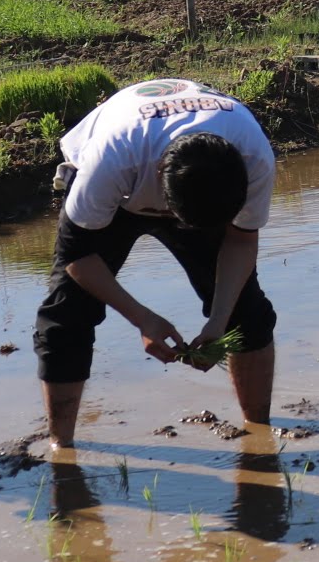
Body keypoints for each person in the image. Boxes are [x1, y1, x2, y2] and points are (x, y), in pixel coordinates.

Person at [31, 77, 278, 449]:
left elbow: (241, 240)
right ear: (162, 180)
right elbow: (76, 256)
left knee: (247, 313)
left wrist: (219, 320)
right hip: (121, 193)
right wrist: (142, 318)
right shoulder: (111, 159)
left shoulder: (254, 157)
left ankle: (259, 436)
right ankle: (61, 448)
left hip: (197, 187)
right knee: (66, 314)